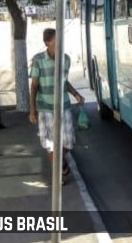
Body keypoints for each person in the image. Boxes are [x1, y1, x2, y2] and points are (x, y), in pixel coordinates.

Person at [29, 28, 84, 185]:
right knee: (50, 144)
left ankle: (62, 165)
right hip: (45, 108)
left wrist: (76, 94)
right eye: (56, 39)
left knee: (68, 142)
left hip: (63, 107)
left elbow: (64, 81)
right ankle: (58, 175)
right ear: (48, 42)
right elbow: (34, 86)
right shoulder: (38, 60)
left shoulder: (65, 59)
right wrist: (32, 110)